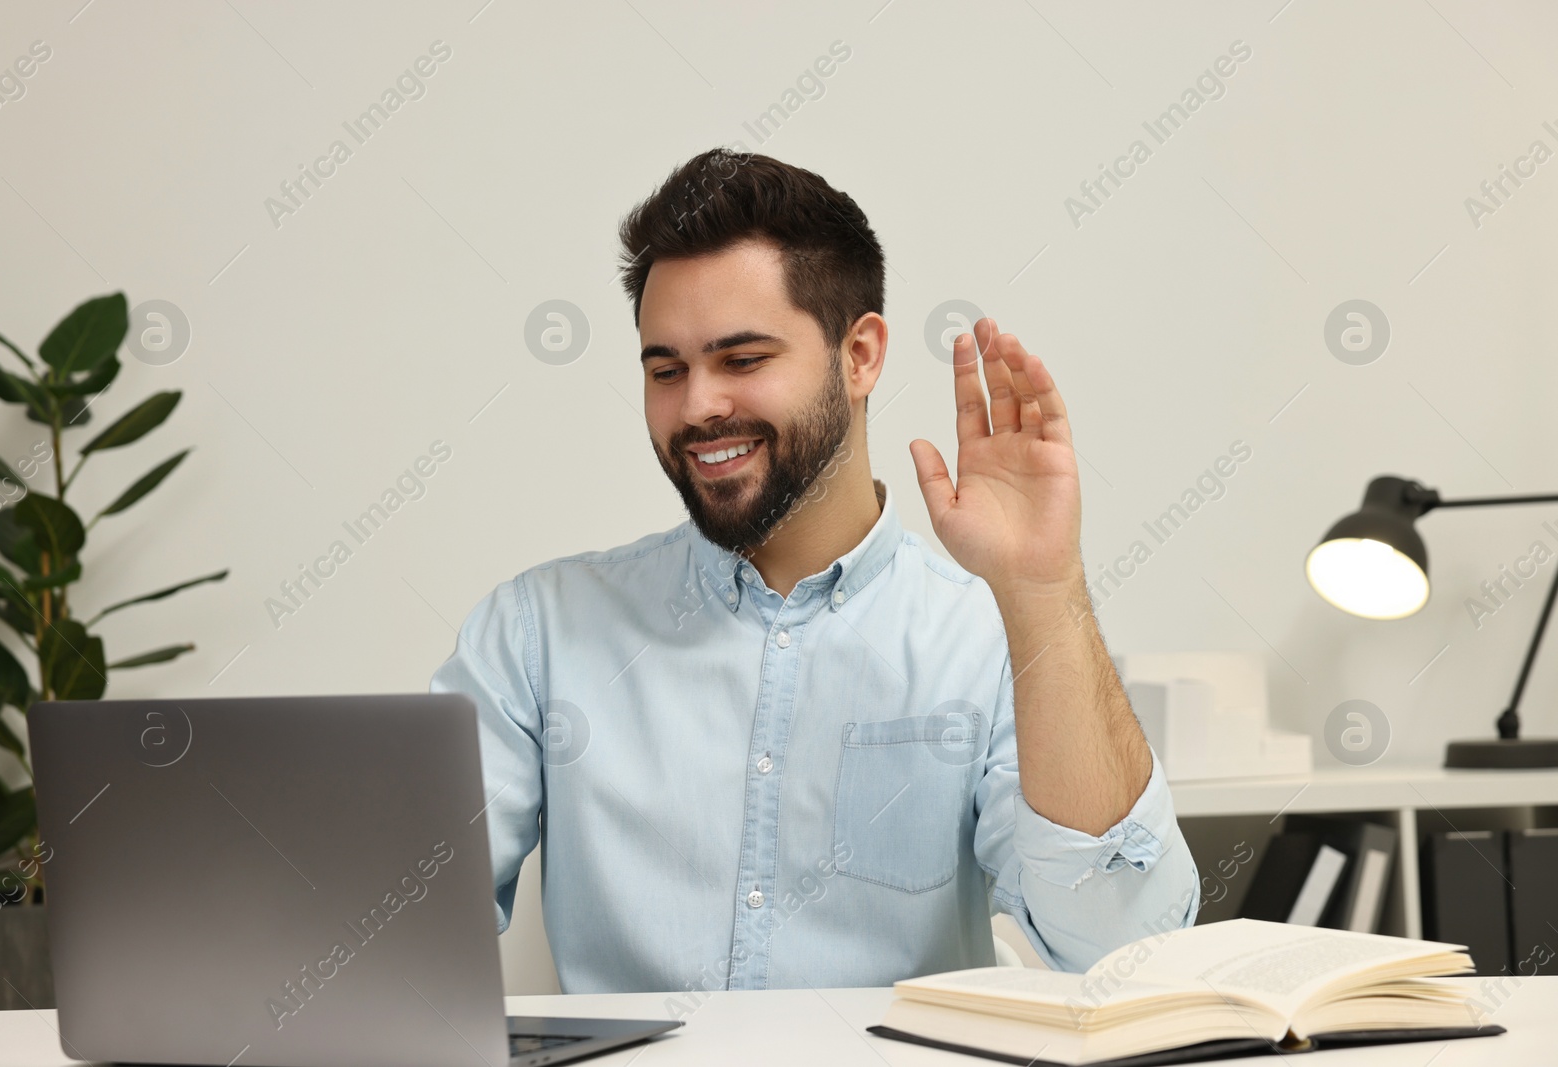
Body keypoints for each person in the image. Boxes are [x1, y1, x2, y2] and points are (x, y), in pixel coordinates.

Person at [430, 147, 1200, 996]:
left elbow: (1125, 950)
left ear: (860, 354)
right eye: (665, 369)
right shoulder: (539, 633)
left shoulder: (986, 638)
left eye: (743, 359)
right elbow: (386, 922)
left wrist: (1045, 594)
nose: (696, 407)